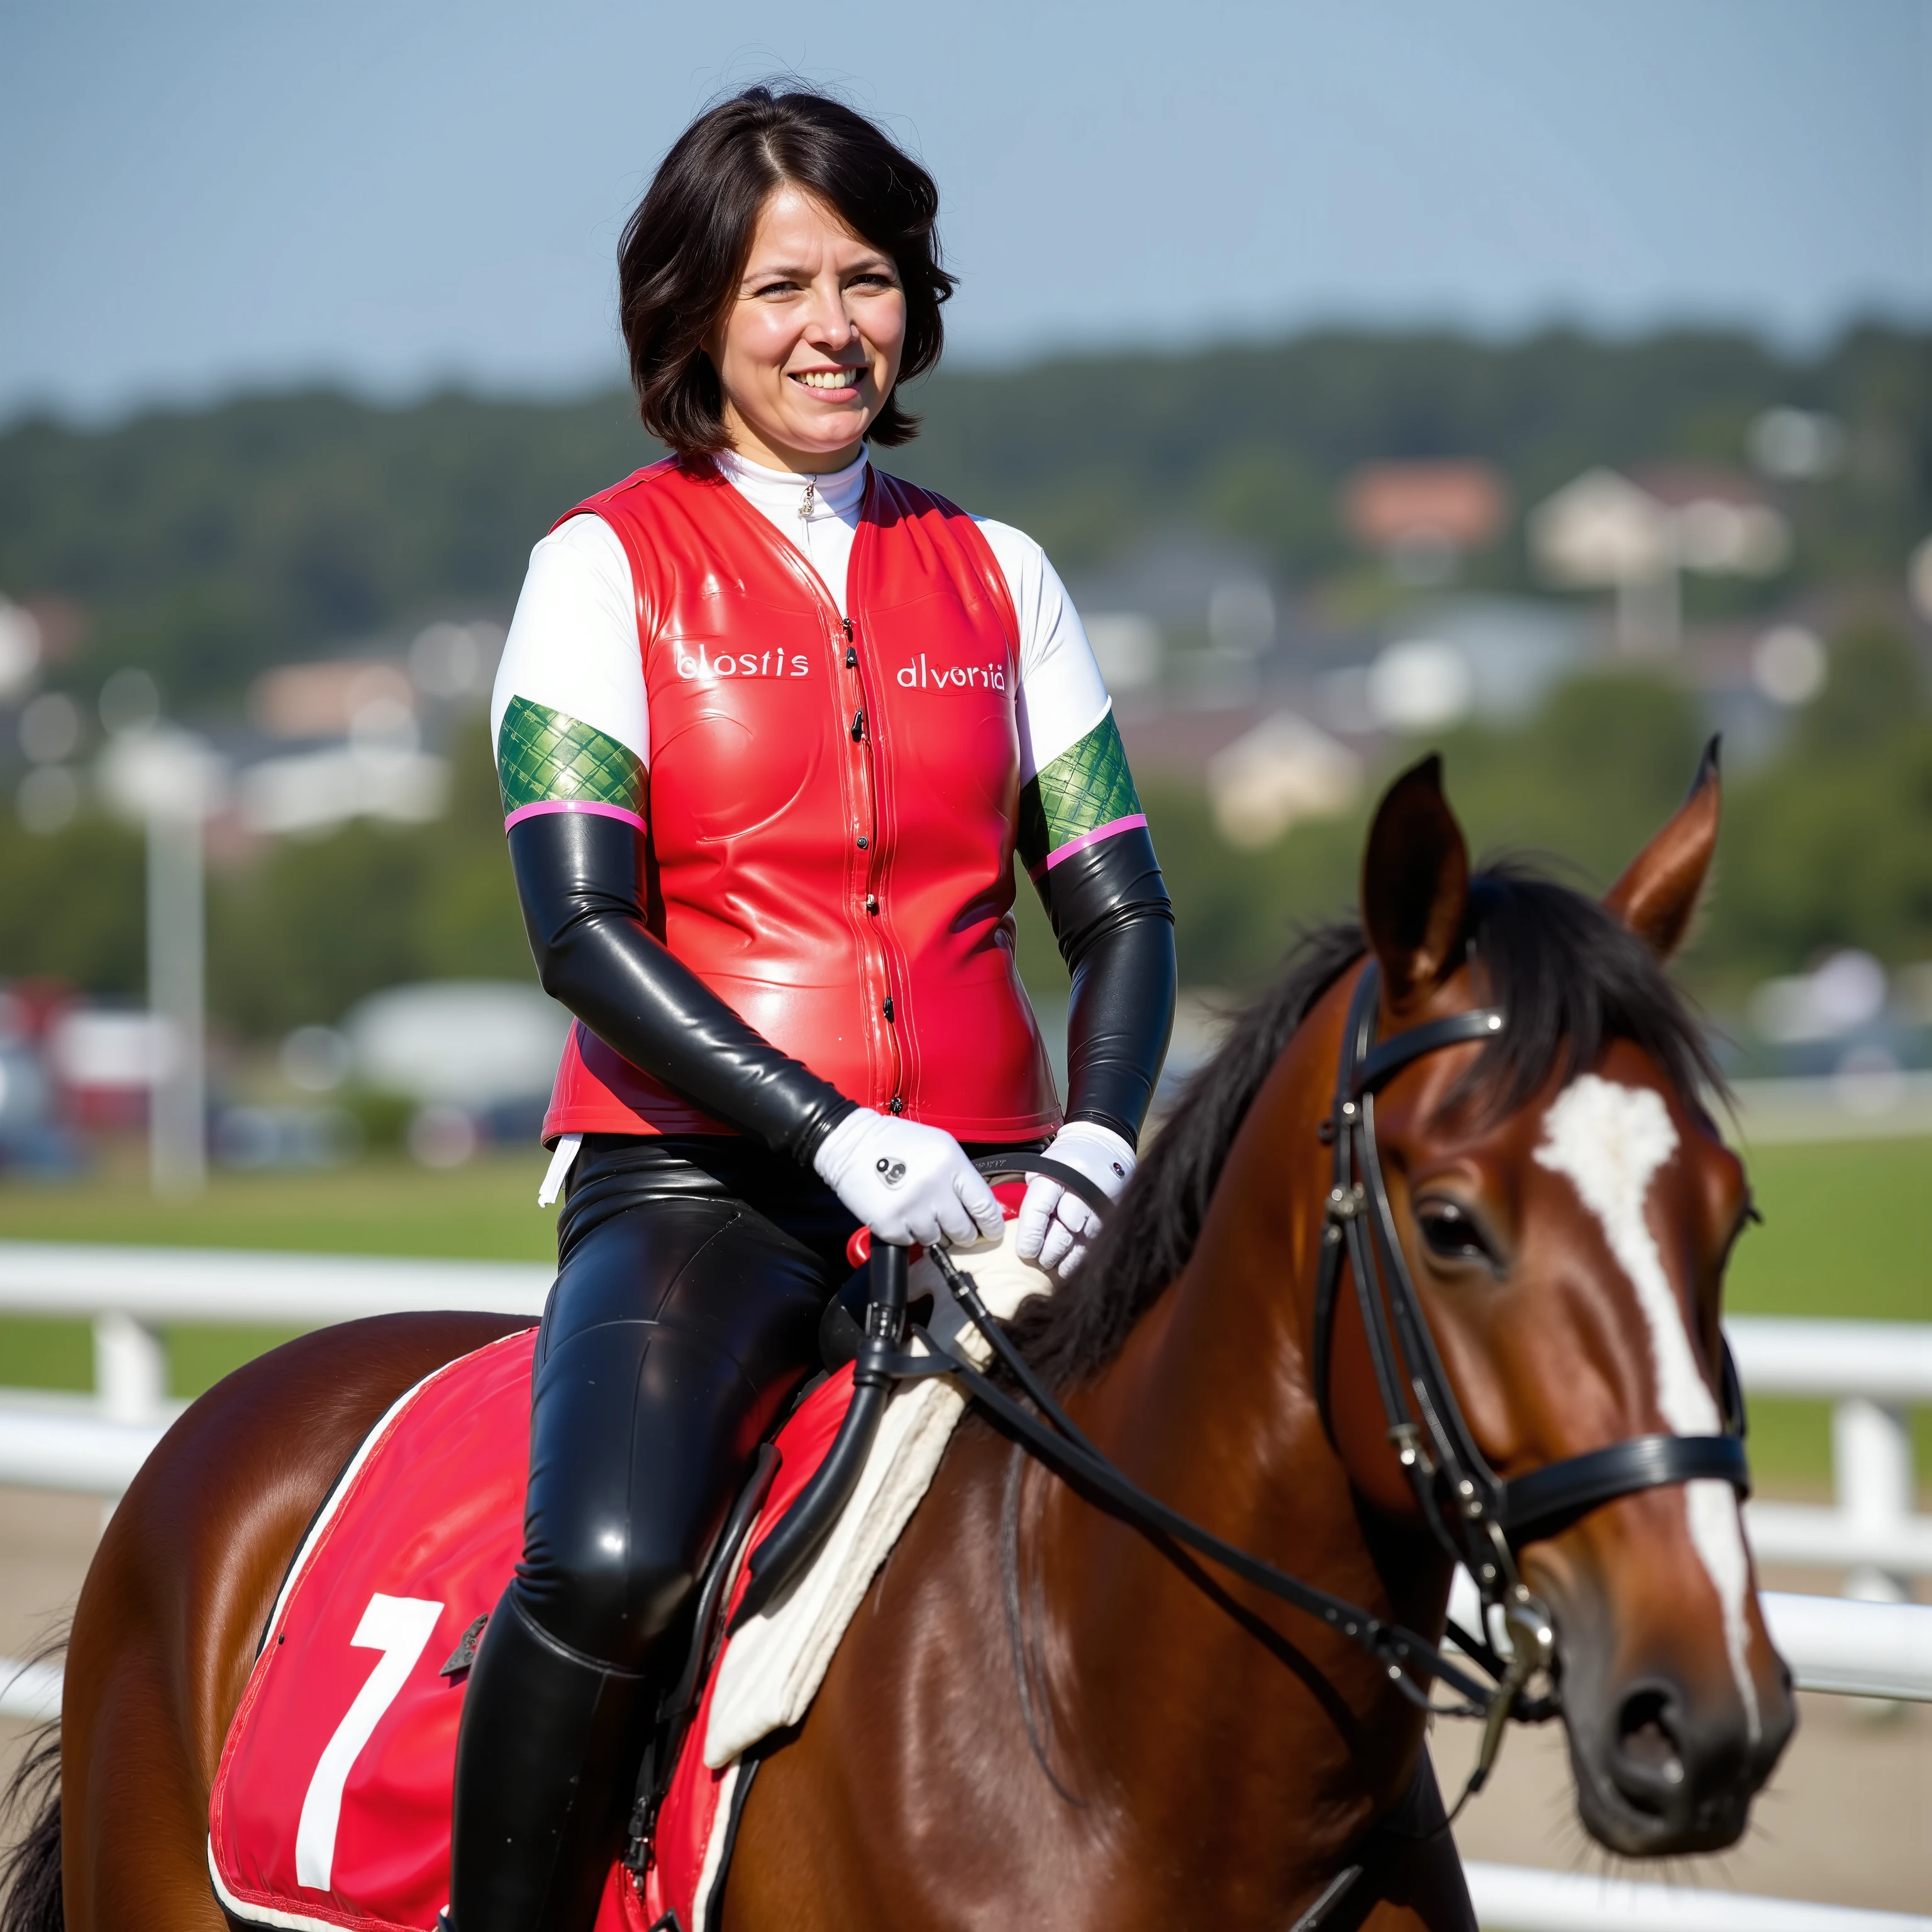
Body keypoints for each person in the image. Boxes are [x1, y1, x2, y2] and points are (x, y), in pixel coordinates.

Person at [450, 85, 1176, 1932]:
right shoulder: (595, 570)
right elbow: (584, 937)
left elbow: (1122, 912)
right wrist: (832, 1133)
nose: (833, 326)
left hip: (1008, 1194)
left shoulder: (1004, 577)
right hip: (704, 1188)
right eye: (783, 286)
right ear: (697, 315)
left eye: (868, 280)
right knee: (610, 1563)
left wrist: (1092, 1150)